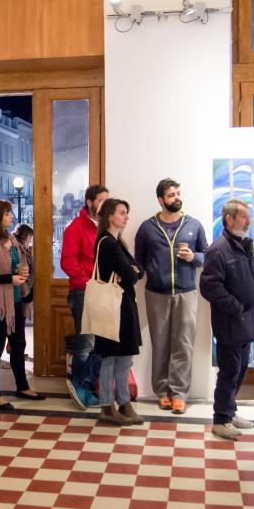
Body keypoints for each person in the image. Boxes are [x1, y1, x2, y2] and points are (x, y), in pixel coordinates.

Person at [134, 178, 207, 414]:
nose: (176, 198)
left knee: (183, 344)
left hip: (186, 292)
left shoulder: (193, 225)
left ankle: (178, 393)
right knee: (160, 342)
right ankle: (162, 392)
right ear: (160, 200)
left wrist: (193, 258)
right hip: (156, 293)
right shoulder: (147, 228)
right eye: (171, 195)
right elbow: (139, 261)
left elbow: (207, 255)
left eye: (178, 193)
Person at [199, 198, 254, 440]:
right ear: (229, 220)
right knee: (229, 371)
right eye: (243, 217)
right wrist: (236, 307)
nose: (248, 221)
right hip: (230, 322)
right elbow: (210, 287)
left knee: (239, 370)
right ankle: (221, 419)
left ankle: (230, 411)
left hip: (246, 321)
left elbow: (242, 281)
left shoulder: (244, 246)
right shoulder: (217, 250)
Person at [0, 200, 44, 410]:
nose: (11, 217)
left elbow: (16, 266)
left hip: (14, 299)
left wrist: (21, 273)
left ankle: (22, 386)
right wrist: (9, 278)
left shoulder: (11, 240)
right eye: (7, 214)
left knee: (19, 344)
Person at [93, 199, 145, 426]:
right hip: (113, 307)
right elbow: (132, 274)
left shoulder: (117, 242)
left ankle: (123, 402)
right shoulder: (107, 243)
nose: (126, 217)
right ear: (110, 216)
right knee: (111, 357)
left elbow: (138, 269)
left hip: (123, 306)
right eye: (122, 213)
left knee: (124, 357)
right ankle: (107, 406)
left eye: (126, 212)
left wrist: (132, 271)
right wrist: (132, 271)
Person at [61, 184, 109, 409]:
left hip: (105, 293)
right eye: (101, 200)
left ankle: (91, 387)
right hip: (84, 292)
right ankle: (80, 388)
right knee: (86, 344)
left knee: (101, 344)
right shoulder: (76, 227)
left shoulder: (106, 227)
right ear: (89, 202)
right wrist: (88, 283)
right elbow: (67, 261)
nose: (105, 205)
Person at [13, 223, 35, 319]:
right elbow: (24, 270)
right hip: (23, 290)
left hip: (23, 289)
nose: (30, 242)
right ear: (24, 237)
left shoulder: (23, 248)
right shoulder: (18, 249)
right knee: (20, 318)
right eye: (29, 239)